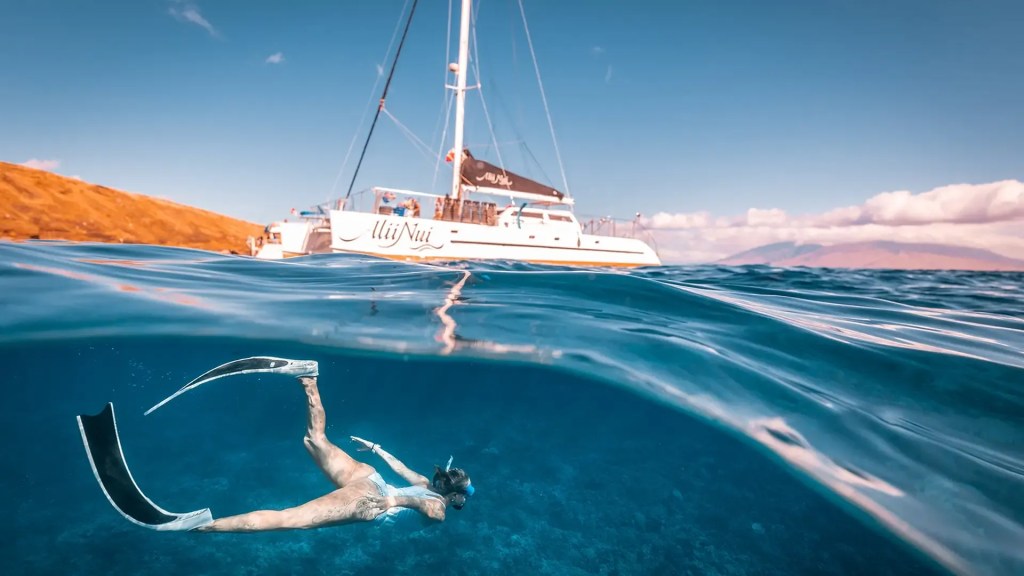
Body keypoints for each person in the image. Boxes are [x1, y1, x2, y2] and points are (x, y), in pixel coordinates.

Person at [195, 370, 475, 532]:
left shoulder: (425, 483)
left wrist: (376, 448)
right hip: (370, 500)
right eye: (463, 499)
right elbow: (426, 507)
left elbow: (400, 467)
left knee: (315, 439)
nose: (462, 504)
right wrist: (392, 504)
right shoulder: (439, 508)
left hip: (370, 477)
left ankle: (309, 379)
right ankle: (205, 525)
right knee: (292, 519)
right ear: (456, 496)